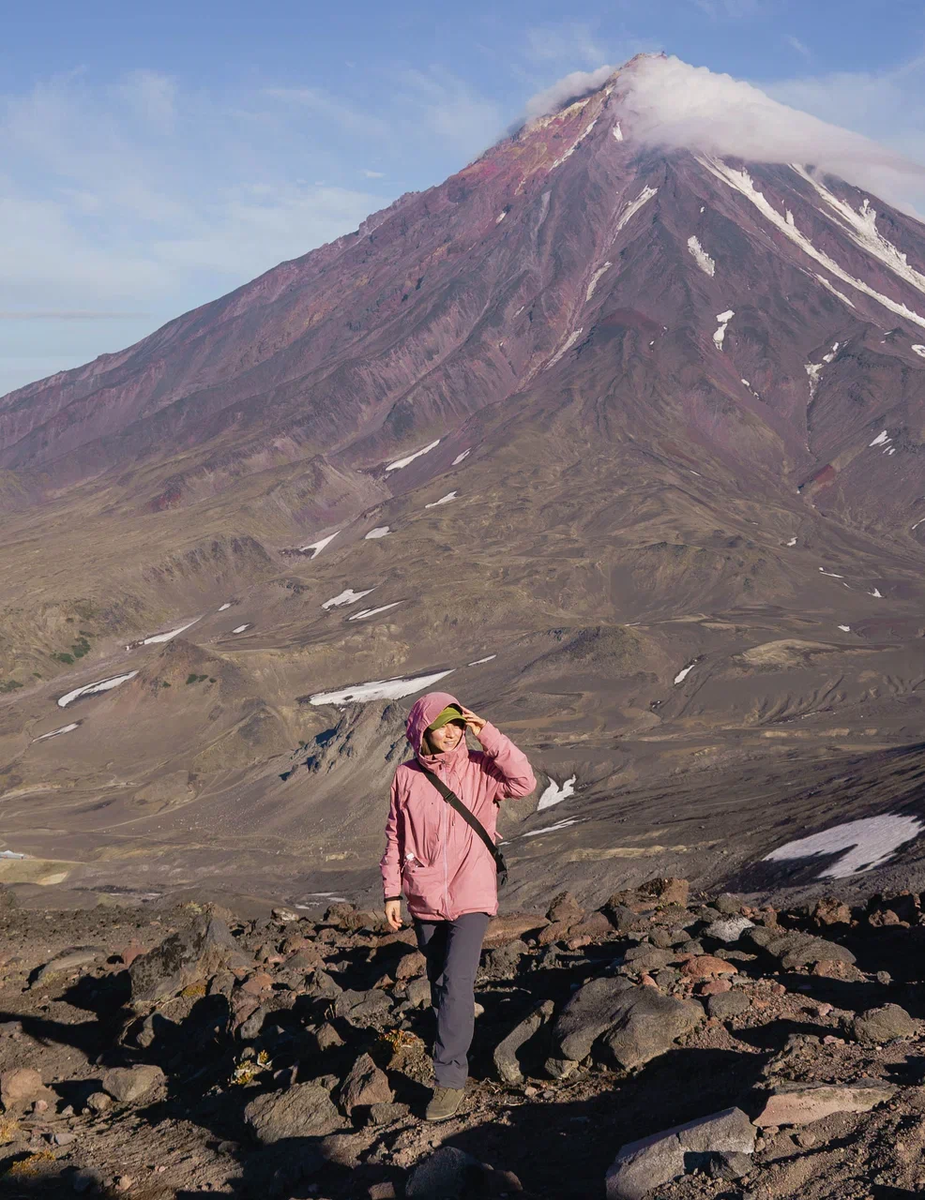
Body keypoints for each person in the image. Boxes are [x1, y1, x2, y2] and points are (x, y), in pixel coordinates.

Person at [380, 690, 536, 1121]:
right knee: (440, 982)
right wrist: (392, 891)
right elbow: (396, 837)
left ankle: (449, 1079)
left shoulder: (481, 769)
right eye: (440, 725)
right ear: (421, 731)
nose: (450, 733)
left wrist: (486, 732)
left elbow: (524, 781)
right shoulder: (406, 777)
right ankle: (461, 1014)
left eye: (456, 724)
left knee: (455, 978)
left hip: (472, 892)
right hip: (424, 894)